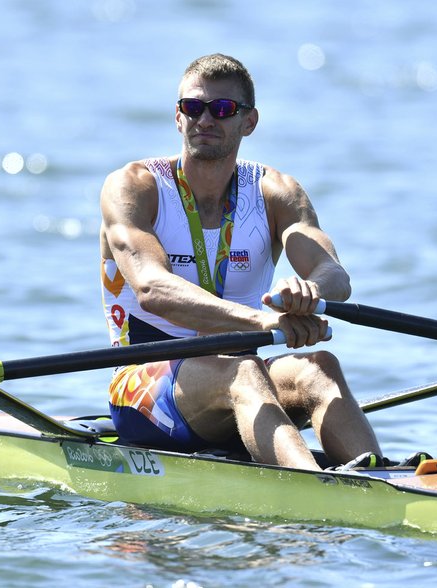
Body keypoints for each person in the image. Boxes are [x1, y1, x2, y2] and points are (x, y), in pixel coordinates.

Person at [99, 53, 381, 471]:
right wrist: (263, 322)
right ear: (178, 118)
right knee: (244, 371)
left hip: (247, 386)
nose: (205, 119)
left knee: (320, 366)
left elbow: (335, 274)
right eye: (193, 108)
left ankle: (382, 477)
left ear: (249, 122)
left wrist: (309, 292)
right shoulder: (135, 187)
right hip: (145, 390)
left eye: (223, 109)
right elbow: (151, 289)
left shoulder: (274, 192)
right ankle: (313, 491)